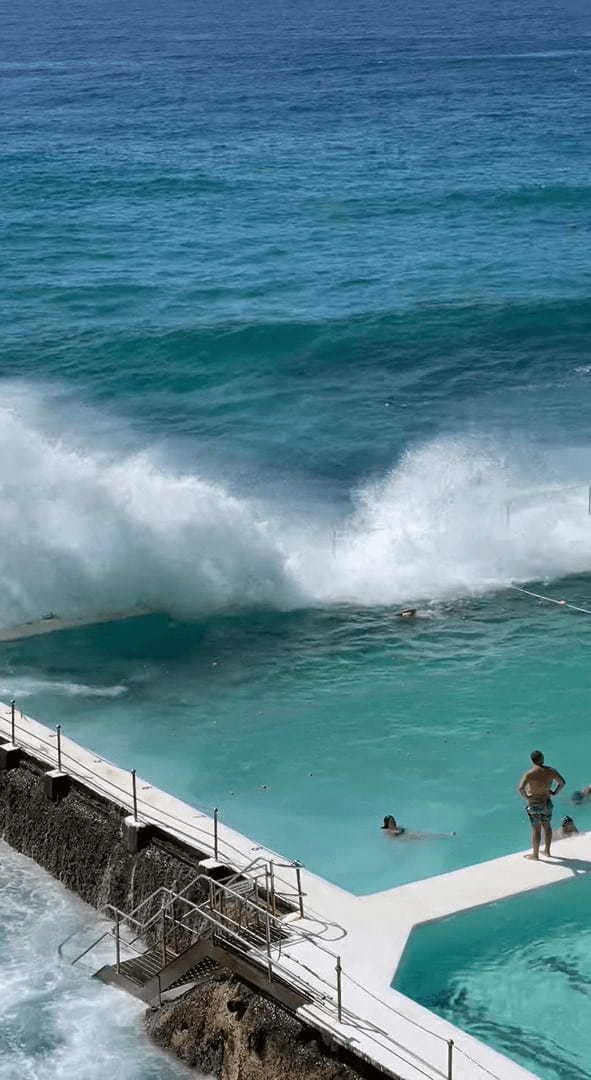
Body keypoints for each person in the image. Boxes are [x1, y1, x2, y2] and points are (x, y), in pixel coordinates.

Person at [517, 750, 565, 860]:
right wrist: (554, 792)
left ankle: (535, 854)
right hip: (546, 802)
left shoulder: (529, 774)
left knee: (536, 829)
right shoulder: (551, 771)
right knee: (547, 827)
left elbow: (520, 788)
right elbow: (562, 783)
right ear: (542, 759)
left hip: (534, 804)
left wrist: (527, 797)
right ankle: (547, 851)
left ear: (531, 760)